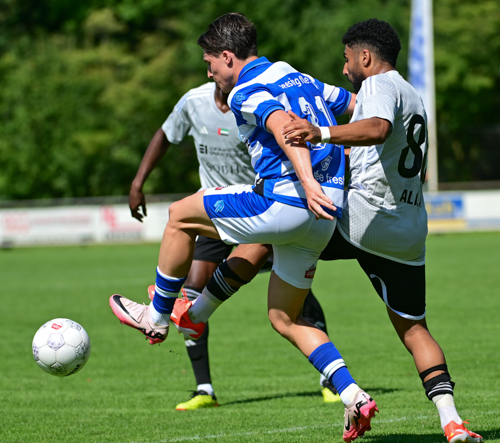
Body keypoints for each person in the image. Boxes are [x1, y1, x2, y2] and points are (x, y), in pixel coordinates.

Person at [182, 18, 484, 443]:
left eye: (347, 60)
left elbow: (376, 129)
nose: (345, 69)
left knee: (270, 234)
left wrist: (318, 131)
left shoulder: (378, 86)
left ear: (366, 57)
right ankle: (452, 421)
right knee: (415, 329)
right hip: (408, 229)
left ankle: (195, 313)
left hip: (364, 219)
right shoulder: (413, 95)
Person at [109, 12, 377, 442]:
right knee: (284, 318)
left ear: (228, 56)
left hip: (289, 201)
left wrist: (307, 182)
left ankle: (156, 316)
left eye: (209, 62)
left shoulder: (244, 89)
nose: (209, 72)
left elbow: (283, 127)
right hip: (322, 218)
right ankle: (354, 396)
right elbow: (355, 105)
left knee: (179, 215)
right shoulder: (294, 74)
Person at [127, 81, 341, 408]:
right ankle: (204, 389)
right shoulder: (193, 101)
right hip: (216, 211)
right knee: (190, 293)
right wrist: (137, 182)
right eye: (209, 65)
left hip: (259, 209)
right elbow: (165, 134)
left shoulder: (256, 101)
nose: (215, 72)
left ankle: (329, 381)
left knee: (296, 296)